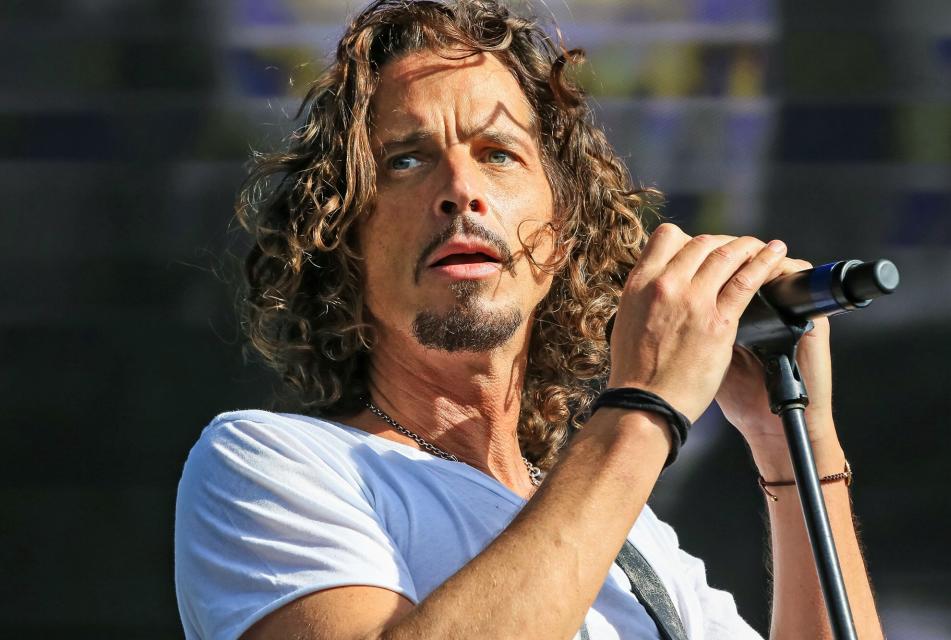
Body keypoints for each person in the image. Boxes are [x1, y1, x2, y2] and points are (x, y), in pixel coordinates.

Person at [174, 1, 884, 638]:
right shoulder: (269, 466)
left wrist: (795, 441)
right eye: (407, 160)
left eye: (499, 154)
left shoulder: (634, 539)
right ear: (344, 240)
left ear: (561, 237)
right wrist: (645, 405)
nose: (460, 191)